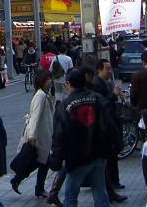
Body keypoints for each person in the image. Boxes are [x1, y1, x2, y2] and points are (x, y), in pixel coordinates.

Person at [49, 69, 115, 207]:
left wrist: (56, 160)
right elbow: (108, 125)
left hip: (76, 157)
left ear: (68, 84)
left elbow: (59, 136)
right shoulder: (97, 98)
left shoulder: (65, 106)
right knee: (100, 192)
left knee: (71, 196)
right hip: (98, 152)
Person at [10, 69, 55, 199]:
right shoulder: (40, 96)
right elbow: (35, 117)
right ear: (42, 81)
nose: (50, 81)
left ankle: (20, 180)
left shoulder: (42, 94)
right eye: (48, 79)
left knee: (40, 161)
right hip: (39, 135)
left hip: (42, 134)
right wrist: (33, 136)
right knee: (41, 161)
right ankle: (33, 186)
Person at [91, 59, 127, 203]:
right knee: (108, 156)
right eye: (108, 69)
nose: (110, 71)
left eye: (111, 68)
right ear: (99, 70)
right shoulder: (97, 84)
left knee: (111, 155)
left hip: (110, 122)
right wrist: (113, 95)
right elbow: (104, 103)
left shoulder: (105, 82)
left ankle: (113, 182)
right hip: (105, 125)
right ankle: (112, 183)